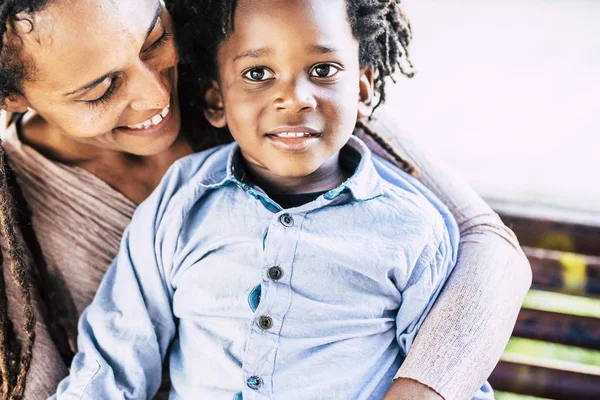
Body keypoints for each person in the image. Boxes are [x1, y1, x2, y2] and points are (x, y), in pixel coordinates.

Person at [0, 0, 531, 399]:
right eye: (100, 89)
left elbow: (488, 251)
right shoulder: (177, 201)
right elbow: (94, 368)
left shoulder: (276, 78)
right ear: (12, 97)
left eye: (154, 40)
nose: (157, 94)